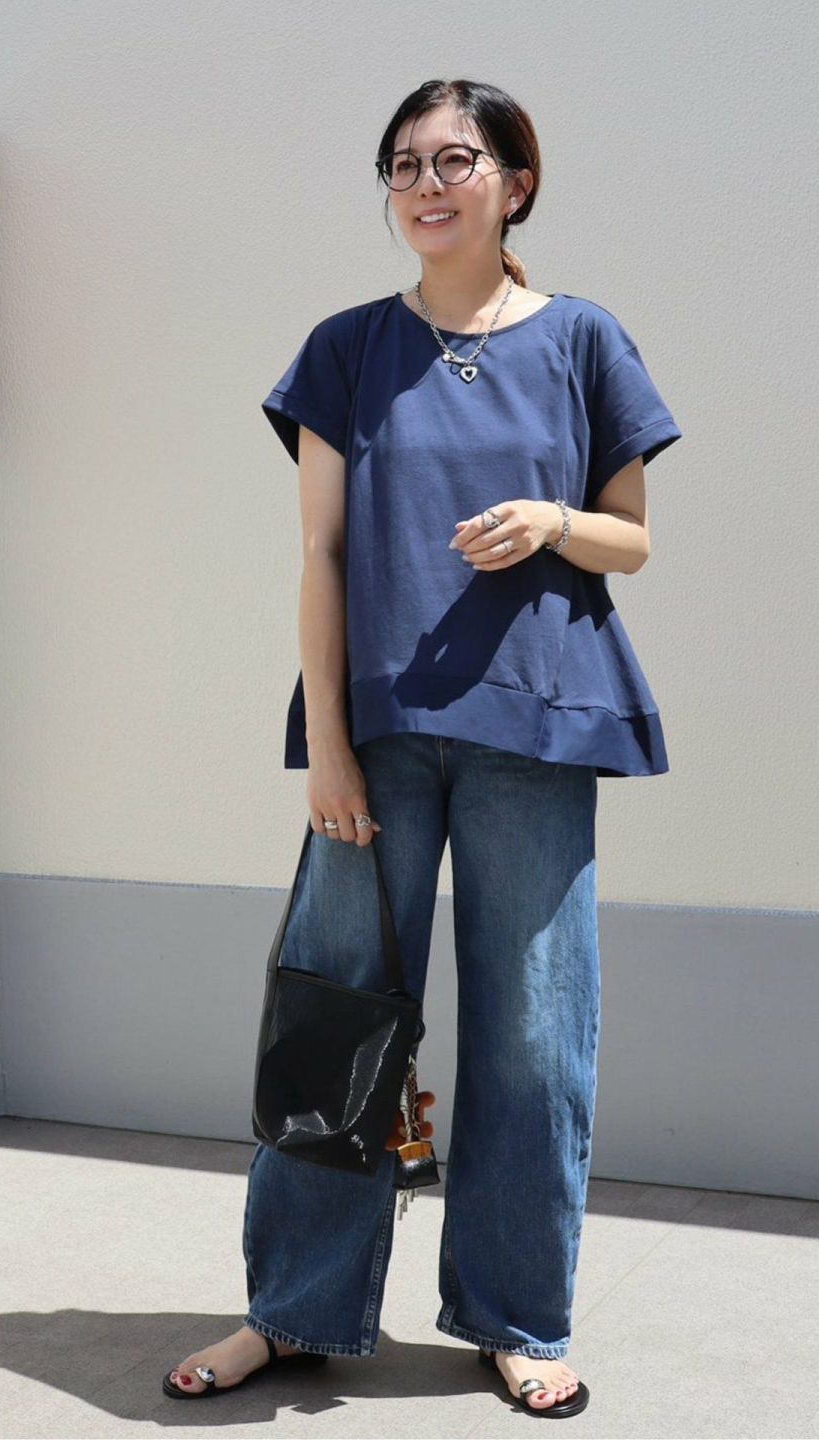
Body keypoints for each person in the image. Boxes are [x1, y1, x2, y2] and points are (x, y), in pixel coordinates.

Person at [163, 77, 681, 1419]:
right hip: (380, 740)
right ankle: (292, 1309)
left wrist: (552, 521)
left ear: (516, 181)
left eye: (456, 159)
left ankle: (518, 1318)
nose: (426, 184)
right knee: (332, 1023)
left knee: (532, 1042)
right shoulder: (345, 348)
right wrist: (330, 745)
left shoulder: (584, 340)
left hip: (534, 726)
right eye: (403, 164)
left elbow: (631, 537)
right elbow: (323, 553)